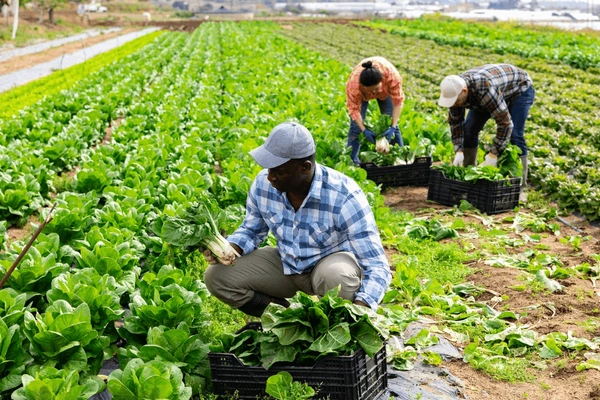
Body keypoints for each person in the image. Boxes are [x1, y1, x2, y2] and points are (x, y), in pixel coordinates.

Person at [204, 122, 392, 317]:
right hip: (287, 265)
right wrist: (230, 248)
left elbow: (377, 266)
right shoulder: (264, 184)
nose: (270, 177)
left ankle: (338, 324)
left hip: (328, 269)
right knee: (217, 276)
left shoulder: (344, 196)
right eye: (269, 169)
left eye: (279, 171)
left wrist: (361, 308)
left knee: (339, 276)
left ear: (305, 167)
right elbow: (251, 230)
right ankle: (287, 319)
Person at [437, 64, 535, 196]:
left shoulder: (484, 89)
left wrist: (494, 154)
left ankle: (520, 188)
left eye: (455, 101)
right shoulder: (454, 91)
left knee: (515, 135)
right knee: (469, 130)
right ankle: (468, 176)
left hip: (519, 89)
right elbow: (456, 123)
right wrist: (458, 150)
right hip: (492, 91)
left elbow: (505, 124)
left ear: (464, 91)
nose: (454, 104)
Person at [346, 57, 405, 165]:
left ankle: (400, 158)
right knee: (355, 129)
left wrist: (393, 126)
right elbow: (353, 109)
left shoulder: (391, 76)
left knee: (391, 123)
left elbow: (398, 102)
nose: (374, 93)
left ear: (382, 80)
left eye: (376, 88)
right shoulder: (354, 85)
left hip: (385, 92)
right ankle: (352, 162)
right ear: (363, 86)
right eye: (370, 90)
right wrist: (364, 130)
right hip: (362, 96)